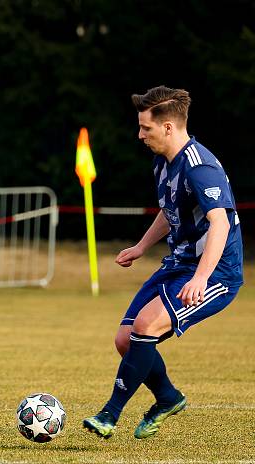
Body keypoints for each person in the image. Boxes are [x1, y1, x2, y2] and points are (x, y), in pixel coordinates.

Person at [83, 86, 243, 439]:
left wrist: (201, 279)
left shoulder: (201, 168)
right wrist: (142, 246)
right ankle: (168, 398)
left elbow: (220, 223)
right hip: (180, 262)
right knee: (125, 339)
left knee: (146, 325)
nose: (140, 135)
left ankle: (110, 414)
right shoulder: (164, 161)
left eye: (146, 128)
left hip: (216, 272)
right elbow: (170, 209)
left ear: (169, 127)